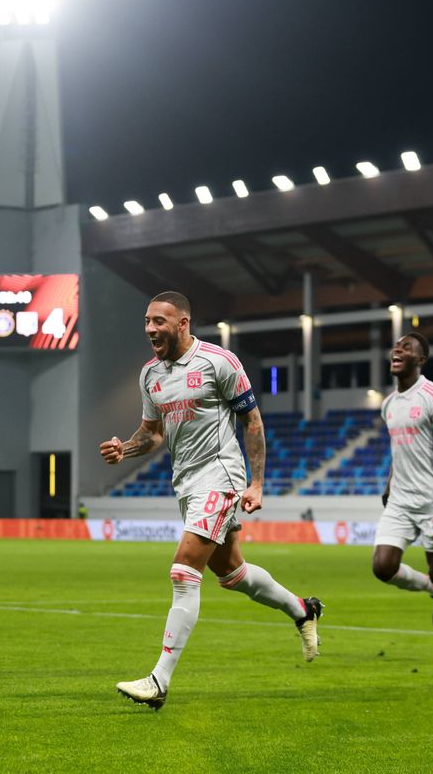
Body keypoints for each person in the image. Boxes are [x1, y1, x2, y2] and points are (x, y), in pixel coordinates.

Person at [100, 291, 322, 710]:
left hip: (221, 478)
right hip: (185, 482)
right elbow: (153, 433)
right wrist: (122, 450)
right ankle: (302, 610)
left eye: (159, 321)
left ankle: (159, 680)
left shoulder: (219, 362)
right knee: (233, 572)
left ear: (182, 323)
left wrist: (256, 483)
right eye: (147, 321)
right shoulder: (150, 375)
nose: (150, 329)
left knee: (183, 571)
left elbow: (251, 421)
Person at [373, 332, 433, 665]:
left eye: (407, 347)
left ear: (420, 360)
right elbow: (399, 451)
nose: (397, 349)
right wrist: (389, 485)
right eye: (396, 346)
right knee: (383, 566)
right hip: (400, 500)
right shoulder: (389, 404)